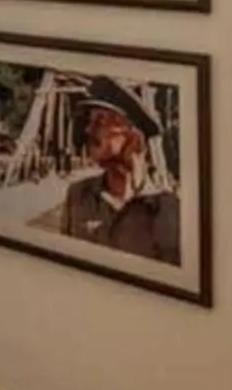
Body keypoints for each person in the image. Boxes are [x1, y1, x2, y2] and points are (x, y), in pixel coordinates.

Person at [59, 77, 181, 264]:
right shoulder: (76, 196)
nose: (88, 130)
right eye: (90, 121)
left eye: (100, 121)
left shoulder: (169, 211)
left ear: (134, 137)